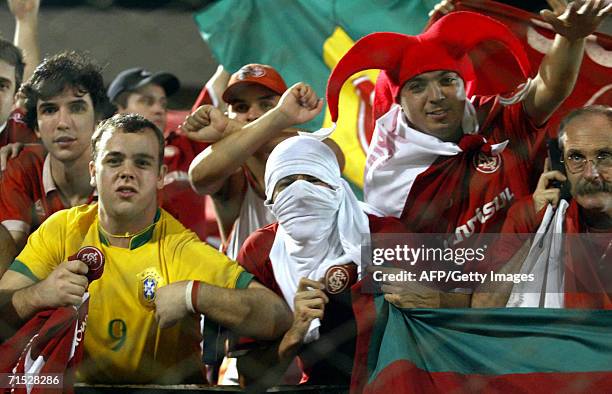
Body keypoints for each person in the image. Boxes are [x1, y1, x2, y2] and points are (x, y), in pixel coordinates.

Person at [319, 4, 610, 305]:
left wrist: (571, 39)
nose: (437, 96)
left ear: (464, 84)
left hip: (546, 278)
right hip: (467, 324)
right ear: (399, 101)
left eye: (447, 80)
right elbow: (417, 294)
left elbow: (549, 88)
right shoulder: (393, 187)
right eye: (417, 86)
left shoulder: (492, 117)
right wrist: (457, 302)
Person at [0, 113, 294, 384]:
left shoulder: (179, 247)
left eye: (141, 162)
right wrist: (39, 294)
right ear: (93, 171)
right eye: (114, 161)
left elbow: (277, 315)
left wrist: (195, 295)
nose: (127, 172)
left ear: (160, 176)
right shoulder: (61, 230)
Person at [234, 135, 407, 389]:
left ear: (337, 187)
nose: (302, 193)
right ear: (271, 198)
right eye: (287, 183)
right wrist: (294, 333)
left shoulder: (383, 235)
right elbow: (249, 378)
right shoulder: (260, 251)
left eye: (315, 180)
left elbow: (439, 324)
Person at [185, 63, 345, 260]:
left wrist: (229, 128)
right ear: (228, 113)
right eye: (241, 107)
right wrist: (276, 119)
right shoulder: (231, 171)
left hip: (312, 285)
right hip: (247, 288)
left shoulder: (310, 150)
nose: (253, 115)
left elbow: (333, 154)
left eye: (266, 106)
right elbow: (199, 177)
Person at [490, 105, 611, 309]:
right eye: (576, 157)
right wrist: (540, 231)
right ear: (560, 165)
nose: (591, 174)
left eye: (605, 156)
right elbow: (486, 306)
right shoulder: (532, 215)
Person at [0, 51, 104, 275]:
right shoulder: (19, 166)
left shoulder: (120, 173)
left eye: (76, 108)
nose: (63, 123)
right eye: (49, 110)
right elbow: (12, 254)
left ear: (97, 120)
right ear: (35, 127)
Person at [107, 67, 216, 243]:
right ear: (120, 111)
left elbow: (214, 92)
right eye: (147, 102)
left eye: (163, 104)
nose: (159, 110)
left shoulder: (186, 147)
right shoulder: (103, 162)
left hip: (191, 264)